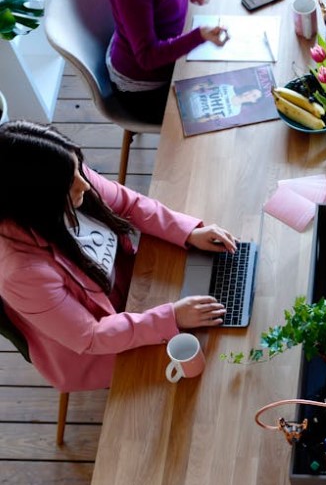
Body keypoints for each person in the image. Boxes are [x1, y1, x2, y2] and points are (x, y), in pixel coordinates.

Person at [0, 120, 237, 392]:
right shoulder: (22, 273)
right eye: (71, 182)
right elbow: (91, 336)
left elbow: (130, 203)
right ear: (37, 200)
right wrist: (171, 317)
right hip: (97, 350)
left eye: (79, 169)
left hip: (135, 288)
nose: (85, 185)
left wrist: (188, 232)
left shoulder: (65, 172)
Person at [106, 0, 229, 124]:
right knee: (219, 122)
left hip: (171, 60)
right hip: (145, 91)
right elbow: (147, 57)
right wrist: (198, 36)